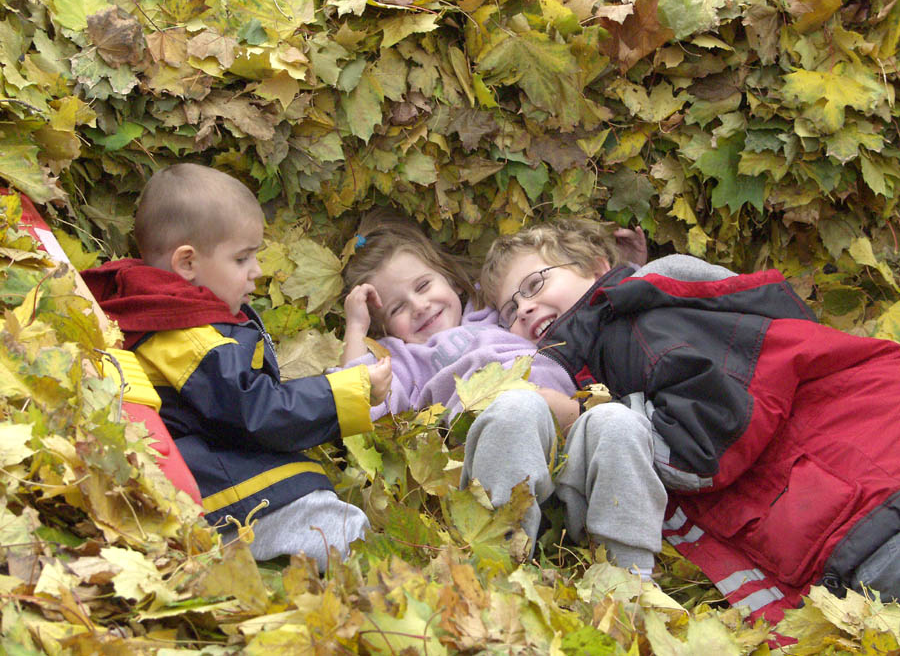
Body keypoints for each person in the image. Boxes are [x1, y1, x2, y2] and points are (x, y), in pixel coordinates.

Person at [480, 217, 900, 621]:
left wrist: (579, 414)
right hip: (856, 497)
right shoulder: (623, 333)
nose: (526, 308)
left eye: (535, 284)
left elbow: (706, 437)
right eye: (509, 312)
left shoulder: (633, 321)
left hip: (870, 499)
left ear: (596, 267)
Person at [83, 163, 392, 571]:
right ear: (188, 264)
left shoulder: (175, 312)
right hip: (226, 489)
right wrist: (349, 391)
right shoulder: (187, 335)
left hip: (226, 477)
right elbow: (255, 409)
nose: (257, 271)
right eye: (242, 258)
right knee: (342, 533)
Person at [340, 212, 651, 570]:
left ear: (451, 280)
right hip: (497, 459)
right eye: (397, 308)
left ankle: (631, 576)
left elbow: (584, 306)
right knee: (518, 407)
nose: (419, 306)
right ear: (384, 328)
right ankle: (501, 566)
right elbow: (363, 401)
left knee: (618, 421)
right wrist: (355, 330)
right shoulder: (403, 358)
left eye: (424, 286)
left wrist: (626, 269)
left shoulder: (499, 311)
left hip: (569, 440)